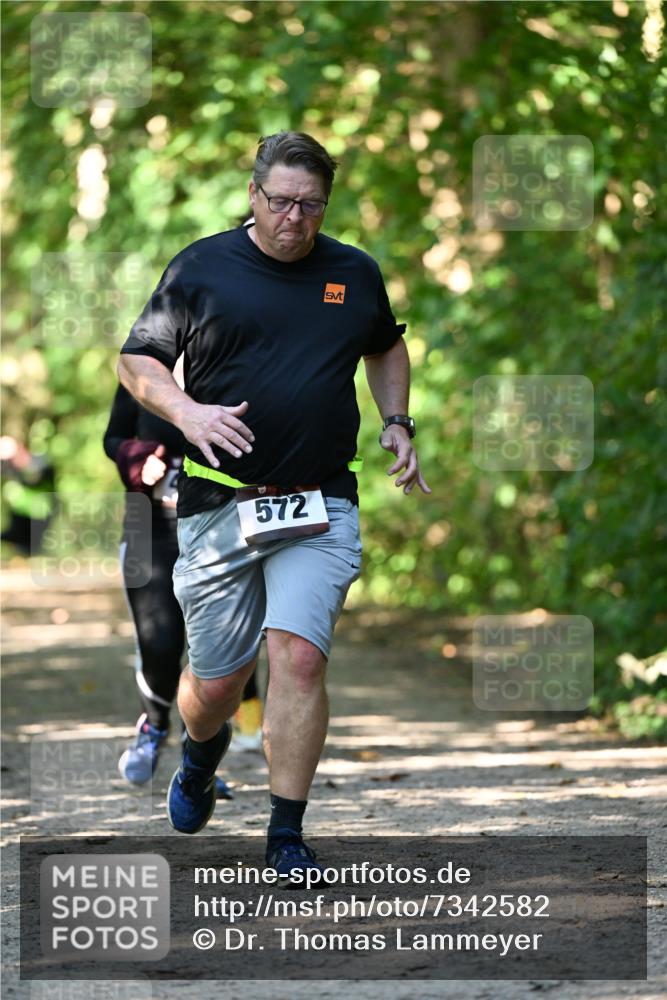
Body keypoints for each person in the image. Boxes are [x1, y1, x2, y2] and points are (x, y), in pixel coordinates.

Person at [117, 131, 430, 877]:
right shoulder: (201, 266)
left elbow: (383, 345)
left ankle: (285, 836)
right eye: (281, 201)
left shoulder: (352, 272)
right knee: (218, 684)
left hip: (320, 501)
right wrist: (188, 414)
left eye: (311, 205)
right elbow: (138, 361)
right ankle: (197, 756)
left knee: (297, 656)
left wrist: (395, 421)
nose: (294, 217)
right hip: (219, 503)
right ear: (253, 194)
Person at [103, 381, 235, 798]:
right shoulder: (144, 369)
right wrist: (135, 457)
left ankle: (198, 757)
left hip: (219, 530)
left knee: (210, 653)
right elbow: (113, 437)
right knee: (160, 644)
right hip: (150, 531)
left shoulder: (233, 363)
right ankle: (154, 727)